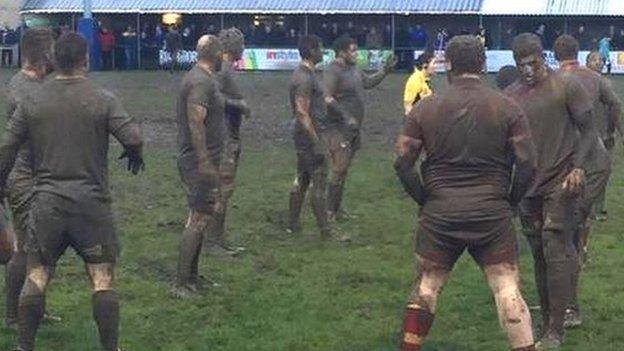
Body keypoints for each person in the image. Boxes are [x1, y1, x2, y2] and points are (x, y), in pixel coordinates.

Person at [0, 32, 144, 351]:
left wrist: (0, 186)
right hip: (91, 204)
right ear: (86, 59)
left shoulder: (32, 100)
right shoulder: (102, 97)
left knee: (37, 274)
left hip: (47, 202)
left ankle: (25, 346)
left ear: (55, 59)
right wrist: (135, 153)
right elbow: (133, 137)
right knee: (101, 276)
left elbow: (7, 147)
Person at [394, 35, 537, 351]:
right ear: (484, 65)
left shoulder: (425, 109)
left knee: (427, 286)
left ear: (448, 65)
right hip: (492, 214)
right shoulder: (508, 108)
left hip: (440, 214)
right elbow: (528, 164)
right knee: (507, 290)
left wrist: (425, 198)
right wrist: (510, 200)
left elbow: (402, 162)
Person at [505, 33, 595, 349]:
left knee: (556, 249)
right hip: (528, 186)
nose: (528, 70)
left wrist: (579, 167)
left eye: (533, 62)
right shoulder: (511, 95)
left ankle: (557, 329)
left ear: (544, 57)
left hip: (562, 181)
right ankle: (547, 320)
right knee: (540, 255)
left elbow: (588, 130)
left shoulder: (566, 86)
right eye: (521, 65)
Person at [553, 34, 618, 330]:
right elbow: (615, 103)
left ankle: (568, 305)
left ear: (554, 55)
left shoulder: (551, 81)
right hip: (595, 161)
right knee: (574, 225)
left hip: (565, 161)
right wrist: (609, 134)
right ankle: (565, 299)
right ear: (577, 53)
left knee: (564, 233)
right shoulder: (594, 79)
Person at [4, 27, 56, 331]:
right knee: (24, 249)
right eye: (51, 50)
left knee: (40, 249)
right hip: (25, 178)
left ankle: (36, 308)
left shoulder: (34, 84)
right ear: (42, 53)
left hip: (39, 175)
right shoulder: (25, 89)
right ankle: (13, 315)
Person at [172, 35, 225, 298]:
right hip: (197, 162)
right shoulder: (201, 82)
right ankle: (181, 283)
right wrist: (204, 161)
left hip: (200, 160)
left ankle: (192, 277)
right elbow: (196, 122)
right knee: (198, 218)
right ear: (215, 55)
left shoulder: (201, 79)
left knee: (202, 216)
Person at [323, 35, 395, 221]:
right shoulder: (333, 71)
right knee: (338, 169)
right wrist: (346, 116)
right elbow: (328, 98)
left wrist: (384, 71)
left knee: (344, 170)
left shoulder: (353, 69)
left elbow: (368, 82)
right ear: (341, 52)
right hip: (338, 128)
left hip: (353, 129)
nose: (356, 54)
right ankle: (329, 212)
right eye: (353, 50)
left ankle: (337, 210)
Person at [207, 28, 249, 256]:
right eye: (241, 43)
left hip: (229, 136)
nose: (243, 47)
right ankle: (213, 242)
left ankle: (219, 238)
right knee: (222, 191)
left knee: (225, 191)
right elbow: (212, 97)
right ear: (232, 46)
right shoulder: (221, 70)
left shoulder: (225, 69)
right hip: (224, 139)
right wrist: (239, 105)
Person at [287, 35, 332, 238]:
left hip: (304, 134)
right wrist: (317, 142)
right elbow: (302, 112)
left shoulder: (306, 74)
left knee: (303, 179)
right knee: (319, 179)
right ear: (312, 51)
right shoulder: (304, 77)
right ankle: (326, 231)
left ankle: (293, 224)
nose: (323, 51)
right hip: (310, 135)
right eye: (321, 47)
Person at [586, 51, 623, 221]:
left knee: (603, 174)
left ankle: (598, 208)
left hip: (606, 135)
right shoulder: (581, 84)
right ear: (587, 63)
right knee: (589, 173)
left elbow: (616, 110)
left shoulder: (607, 84)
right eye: (594, 60)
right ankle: (588, 208)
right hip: (587, 136)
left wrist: (619, 131)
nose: (598, 63)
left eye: (600, 60)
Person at [403, 51, 435, 116]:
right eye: (434, 63)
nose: (435, 66)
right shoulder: (415, 80)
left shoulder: (424, 79)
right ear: (425, 65)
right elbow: (408, 106)